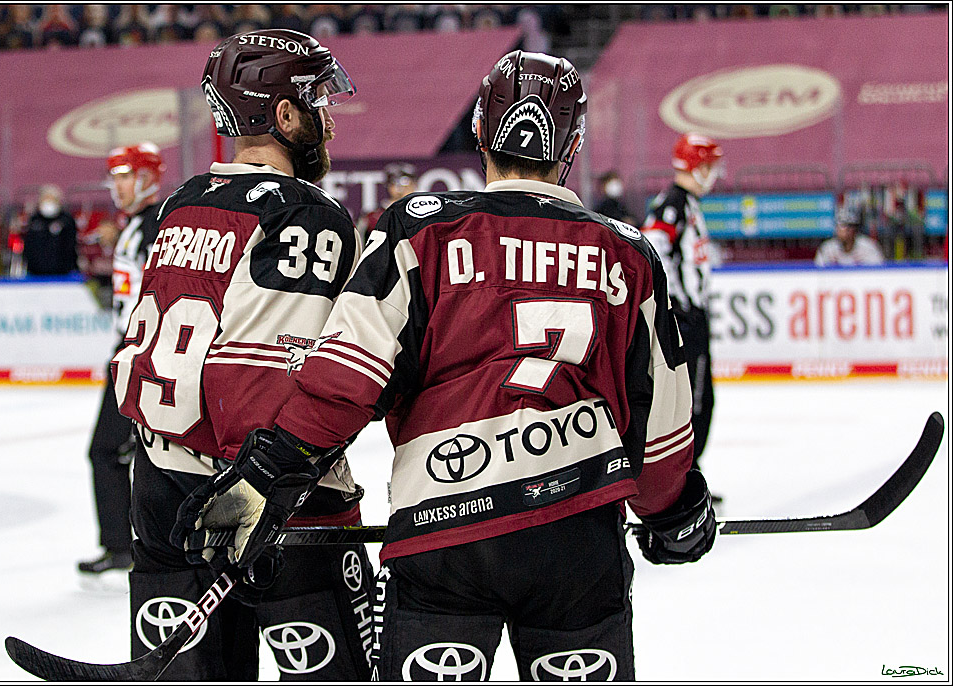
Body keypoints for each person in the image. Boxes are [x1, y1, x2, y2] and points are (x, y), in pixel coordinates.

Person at [175, 50, 715, 681]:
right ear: (570, 145)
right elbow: (660, 420)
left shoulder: (416, 230)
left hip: (442, 532)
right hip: (574, 536)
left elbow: (344, 380)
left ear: (481, 132)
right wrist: (675, 513)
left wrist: (266, 473)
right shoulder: (625, 251)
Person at [111, 29, 373, 680]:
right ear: (284, 115)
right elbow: (276, 375)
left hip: (163, 494)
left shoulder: (180, 204)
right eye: (317, 104)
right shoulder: (307, 214)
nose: (327, 124)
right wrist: (268, 479)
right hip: (267, 500)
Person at [77, 143, 165, 576]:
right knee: (126, 451)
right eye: (114, 176)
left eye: (126, 175)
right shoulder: (135, 225)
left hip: (141, 352)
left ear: (147, 177)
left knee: (108, 450)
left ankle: (123, 545)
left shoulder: (152, 225)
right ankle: (131, 544)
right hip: (134, 349)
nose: (118, 185)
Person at [642, 133, 722, 471]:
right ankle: (686, 471)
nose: (714, 173)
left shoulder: (687, 204)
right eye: (709, 165)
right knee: (694, 398)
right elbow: (654, 252)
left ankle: (691, 470)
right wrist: (677, 303)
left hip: (692, 315)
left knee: (702, 397)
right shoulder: (673, 203)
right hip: (683, 319)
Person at [22, 184, 78, 276]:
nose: (48, 202)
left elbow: (71, 246)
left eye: (51, 199)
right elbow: (28, 246)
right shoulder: (34, 220)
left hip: (62, 273)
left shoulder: (66, 220)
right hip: (36, 272)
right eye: (46, 199)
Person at [357, 162, 417, 235]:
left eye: (408, 185)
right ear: (389, 186)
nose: (403, 189)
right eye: (396, 184)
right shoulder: (372, 218)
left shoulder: (424, 214)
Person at [815, 206, 884, 266]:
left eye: (850, 226)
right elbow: (818, 273)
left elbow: (878, 273)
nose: (846, 231)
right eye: (841, 226)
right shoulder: (827, 249)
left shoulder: (868, 247)